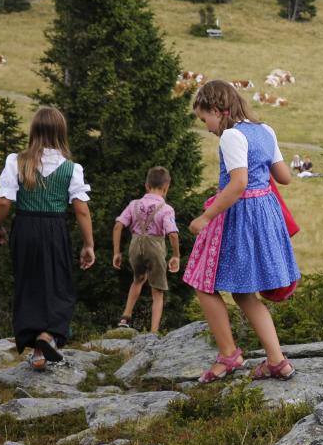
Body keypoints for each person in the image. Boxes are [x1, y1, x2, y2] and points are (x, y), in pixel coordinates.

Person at [184, 79, 300, 382]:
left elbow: (238, 184)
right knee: (244, 292)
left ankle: (229, 354)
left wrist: (206, 217)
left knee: (201, 280)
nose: (207, 127)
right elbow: (284, 177)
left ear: (217, 110)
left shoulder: (231, 136)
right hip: (266, 213)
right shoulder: (265, 130)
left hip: (240, 217)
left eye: (205, 119)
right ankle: (277, 361)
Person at [0, 106, 95, 370]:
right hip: (55, 229)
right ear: (61, 132)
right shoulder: (71, 168)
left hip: (25, 227)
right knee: (59, 285)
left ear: (34, 131)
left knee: (29, 285)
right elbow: (81, 210)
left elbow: (3, 201)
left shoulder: (17, 161)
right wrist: (88, 244)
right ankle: (48, 336)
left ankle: (38, 352)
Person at [111, 166, 180, 333]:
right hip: (155, 247)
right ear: (166, 187)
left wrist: (117, 252)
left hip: (135, 245)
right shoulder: (166, 209)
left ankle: (125, 317)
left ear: (146, 186)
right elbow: (172, 234)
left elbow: (118, 226)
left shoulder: (134, 204)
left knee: (138, 279)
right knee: (157, 291)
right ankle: (153, 332)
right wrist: (176, 255)